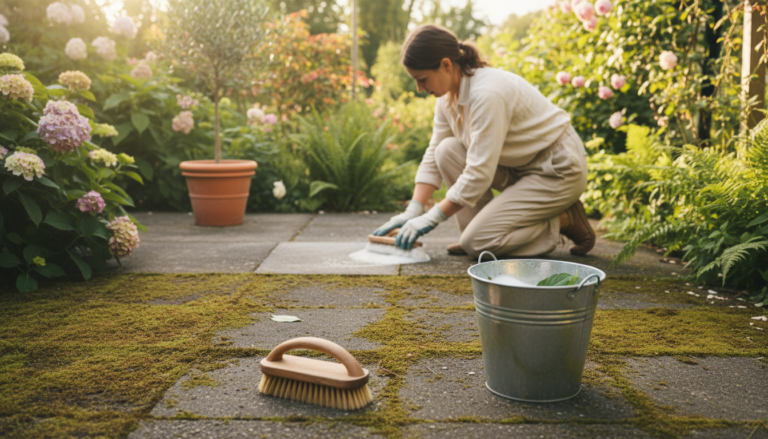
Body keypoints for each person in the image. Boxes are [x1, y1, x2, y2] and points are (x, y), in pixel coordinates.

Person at [372, 24, 595, 257]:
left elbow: (479, 173)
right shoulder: (447, 98)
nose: (419, 89)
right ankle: (478, 234)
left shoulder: (487, 93)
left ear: (446, 65)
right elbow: (434, 153)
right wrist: (413, 209)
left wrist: (432, 217)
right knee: (445, 150)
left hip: (557, 171)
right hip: (518, 166)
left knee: (478, 243)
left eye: (422, 79)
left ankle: (563, 219)